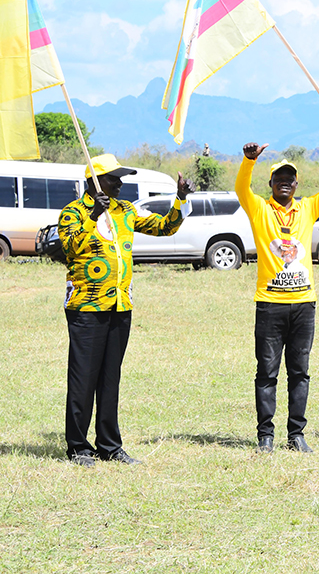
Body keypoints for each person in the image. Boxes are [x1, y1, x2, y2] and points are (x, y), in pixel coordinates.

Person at [59, 154, 194, 467]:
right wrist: (93, 214)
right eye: (113, 179)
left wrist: (180, 199)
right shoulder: (73, 213)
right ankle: (78, 447)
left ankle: (109, 445)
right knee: (83, 380)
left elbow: (165, 228)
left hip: (121, 305)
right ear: (95, 181)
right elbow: (69, 249)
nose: (120, 184)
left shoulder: (126, 211)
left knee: (110, 379)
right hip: (87, 307)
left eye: (120, 179)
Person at [236, 120, 319, 454]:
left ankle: (296, 434)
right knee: (267, 372)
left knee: (300, 372)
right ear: (270, 183)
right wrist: (248, 162)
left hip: (304, 305)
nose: (284, 182)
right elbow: (242, 190)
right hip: (270, 305)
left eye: (290, 178)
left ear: (296, 183)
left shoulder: (308, 208)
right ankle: (266, 436)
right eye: (279, 178)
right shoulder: (259, 209)